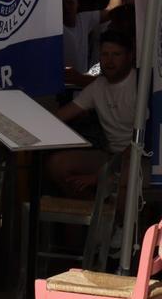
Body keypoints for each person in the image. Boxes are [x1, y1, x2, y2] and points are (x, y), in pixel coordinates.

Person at [47, 30, 137, 197]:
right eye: (105, 54)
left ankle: (116, 221)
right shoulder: (98, 86)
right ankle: (89, 215)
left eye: (116, 54)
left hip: (139, 159)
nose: (109, 61)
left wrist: (99, 176)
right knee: (58, 164)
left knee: (126, 180)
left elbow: (142, 142)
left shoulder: (139, 84)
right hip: (111, 155)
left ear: (129, 56)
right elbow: (60, 116)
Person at [63, 0, 124, 85]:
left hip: (79, 87)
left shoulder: (83, 19)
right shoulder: (54, 27)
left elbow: (112, 10)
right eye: (62, 3)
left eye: (70, 2)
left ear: (78, 4)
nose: (66, 7)